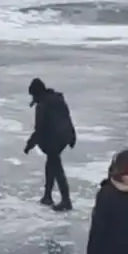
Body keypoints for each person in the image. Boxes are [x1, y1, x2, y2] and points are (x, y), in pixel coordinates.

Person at [24, 78, 77, 211]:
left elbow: (40, 129)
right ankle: (47, 196)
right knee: (51, 163)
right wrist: (72, 136)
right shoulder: (57, 99)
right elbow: (67, 117)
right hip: (65, 135)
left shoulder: (43, 105)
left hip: (56, 138)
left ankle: (66, 201)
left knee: (56, 166)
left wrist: (29, 144)